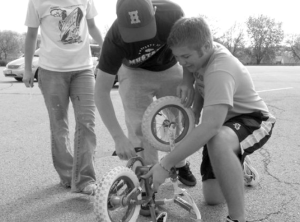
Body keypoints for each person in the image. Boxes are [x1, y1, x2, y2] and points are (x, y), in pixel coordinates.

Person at [142, 17, 276, 222]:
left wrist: (165, 164)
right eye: (177, 57)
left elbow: (211, 126)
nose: (181, 62)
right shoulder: (202, 51)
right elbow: (190, 67)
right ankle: (238, 163)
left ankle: (238, 218)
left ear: (206, 46)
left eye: (185, 56)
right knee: (213, 198)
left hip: (253, 119)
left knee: (218, 138)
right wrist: (187, 82)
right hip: (225, 123)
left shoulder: (220, 70)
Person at [94, 0, 196, 187]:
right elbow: (100, 91)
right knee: (139, 126)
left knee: (178, 118)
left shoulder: (172, 13)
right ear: (119, 21)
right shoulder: (114, 38)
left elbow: (188, 47)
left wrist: (188, 80)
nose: (141, 39)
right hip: (134, 72)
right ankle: (146, 179)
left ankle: (178, 163)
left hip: (169, 66)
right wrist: (118, 137)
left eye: (144, 29)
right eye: (133, 33)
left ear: (154, 10)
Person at [23, 0, 103, 195]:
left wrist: (109, 51)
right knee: (60, 126)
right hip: (51, 71)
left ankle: (84, 180)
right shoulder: (37, 2)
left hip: (83, 69)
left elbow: (92, 26)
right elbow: (32, 35)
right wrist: (27, 69)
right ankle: (68, 176)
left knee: (87, 123)